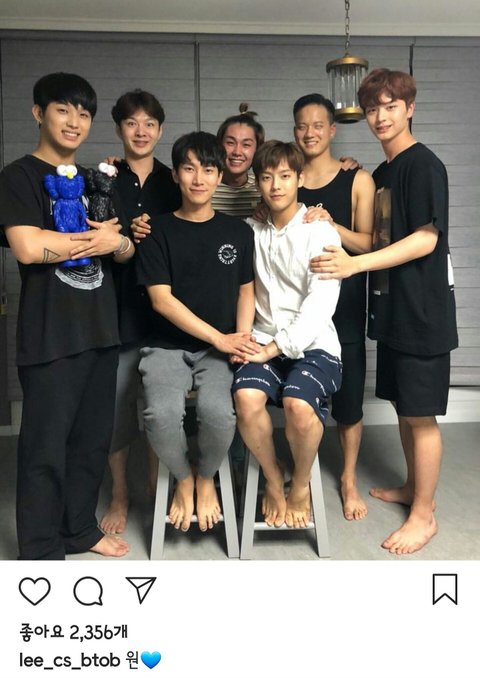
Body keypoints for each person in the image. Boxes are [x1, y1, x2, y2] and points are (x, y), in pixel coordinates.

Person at [311, 69, 458, 554]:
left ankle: (424, 515)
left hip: (422, 313)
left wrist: (355, 265)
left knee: (421, 416)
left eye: (391, 106)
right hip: (392, 312)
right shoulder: (384, 171)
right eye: (373, 108)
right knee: (403, 407)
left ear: (410, 108)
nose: (380, 117)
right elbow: (376, 235)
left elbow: (425, 239)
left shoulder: (424, 165)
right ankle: (414, 488)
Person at [0, 72, 134, 560]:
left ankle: (79, 529)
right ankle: (40, 550)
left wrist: (115, 242)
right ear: (39, 113)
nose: (74, 121)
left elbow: (124, 248)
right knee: (45, 448)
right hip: (49, 335)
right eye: (63, 110)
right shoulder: (18, 177)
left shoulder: (98, 180)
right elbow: (27, 246)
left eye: (84, 113)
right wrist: (96, 241)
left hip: (101, 330)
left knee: (91, 442)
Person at [135, 131, 258, 532]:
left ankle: (206, 478)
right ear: (175, 175)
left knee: (219, 414)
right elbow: (161, 300)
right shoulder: (156, 230)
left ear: (220, 175)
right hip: (166, 346)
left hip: (220, 351)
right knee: (161, 415)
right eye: (189, 168)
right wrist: (219, 338)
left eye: (208, 169)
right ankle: (183, 478)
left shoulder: (238, 232)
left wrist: (239, 341)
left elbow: (246, 291)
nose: (198, 178)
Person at [232, 140, 342, 529]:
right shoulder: (249, 231)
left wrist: (276, 347)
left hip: (314, 344)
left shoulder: (320, 230)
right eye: (266, 177)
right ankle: (274, 476)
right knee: (246, 399)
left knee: (297, 404)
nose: (276, 186)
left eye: (284, 176)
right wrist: (249, 341)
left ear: (299, 179)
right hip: (261, 337)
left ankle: (302, 481)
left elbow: (320, 303)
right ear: (257, 183)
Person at [99, 90, 181, 535]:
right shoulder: (103, 178)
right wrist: (124, 236)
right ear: (119, 129)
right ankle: (119, 492)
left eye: (149, 123)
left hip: (167, 312)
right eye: (132, 122)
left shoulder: (176, 179)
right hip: (117, 307)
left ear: (161, 130)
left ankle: (155, 487)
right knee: (117, 403)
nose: (141, 131)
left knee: (158, 406)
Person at [293, 93, 375, 521]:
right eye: (302, 126)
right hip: (296, 306)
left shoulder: (356, 179)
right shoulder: (287, 177)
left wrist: (331, 223)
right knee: (297, 392)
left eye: (317, 125)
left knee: (349, 399)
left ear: (332, 129)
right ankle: (299, 474)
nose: (310, 133)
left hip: (345, 304)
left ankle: (347, 478)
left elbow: (370, 244)